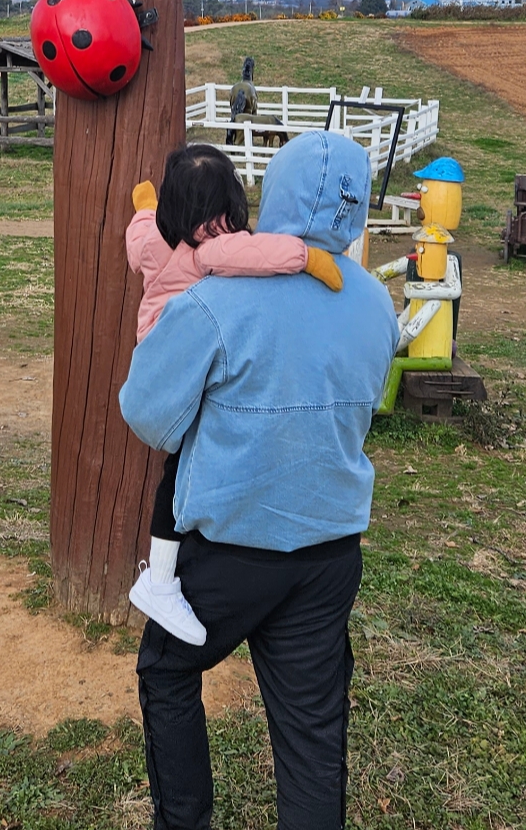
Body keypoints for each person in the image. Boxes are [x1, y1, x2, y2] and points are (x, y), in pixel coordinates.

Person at [119, 130, 399, 830]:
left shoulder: (216, 300)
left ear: (271, 194)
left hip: (233, 545)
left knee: (167, 669)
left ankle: (183, 821)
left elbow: (148, 416)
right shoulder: (372, 302)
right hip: (330, 546)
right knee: (311, 730)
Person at [125, 144, 344, 645]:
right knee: (178, 469)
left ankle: (164, 574)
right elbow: (258, 253)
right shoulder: (213, 249)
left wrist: (142, 204)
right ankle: (160, 580)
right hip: (188, 356)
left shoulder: (157, 241)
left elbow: (137, 234)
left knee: (175, 466)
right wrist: (309, 258)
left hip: (155, 349)